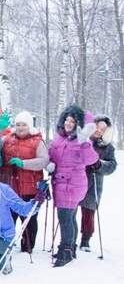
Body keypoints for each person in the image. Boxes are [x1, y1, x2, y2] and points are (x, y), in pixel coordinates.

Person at [48, 105, 99, 266]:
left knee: (64, 218)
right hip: (60, 183)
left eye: (73, 121)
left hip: (72, 184)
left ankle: (66, 250)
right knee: (69, 217)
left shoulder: (82, 140)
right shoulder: (59, 138)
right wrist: (49, 164)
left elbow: (91, 160)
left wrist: (84, 141)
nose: (69, 124)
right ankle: (71, 247)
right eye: (67, 120)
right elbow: (52, 155)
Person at [0, 111, 48, 253]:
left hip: (30, 186)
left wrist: (23, 163)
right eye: (18, 124)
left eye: (23, 125)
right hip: (11, 185)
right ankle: (7, 242)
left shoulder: (37, 141)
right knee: (9, 216)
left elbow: (43, 161)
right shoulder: (8, 139)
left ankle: (28, 246)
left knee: (29, 218)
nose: (20, 127)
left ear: (29, 125)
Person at [78, 115, 117, 252]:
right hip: (77, 180)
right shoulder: (81, 139)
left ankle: (85, 239)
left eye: (103, 129)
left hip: (94, 182)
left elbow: (112, 165)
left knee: (88, 211)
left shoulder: (107, 147)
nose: (99, 131)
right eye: (97, 127)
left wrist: (100, 165)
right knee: (70, 210)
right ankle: (68, 238)